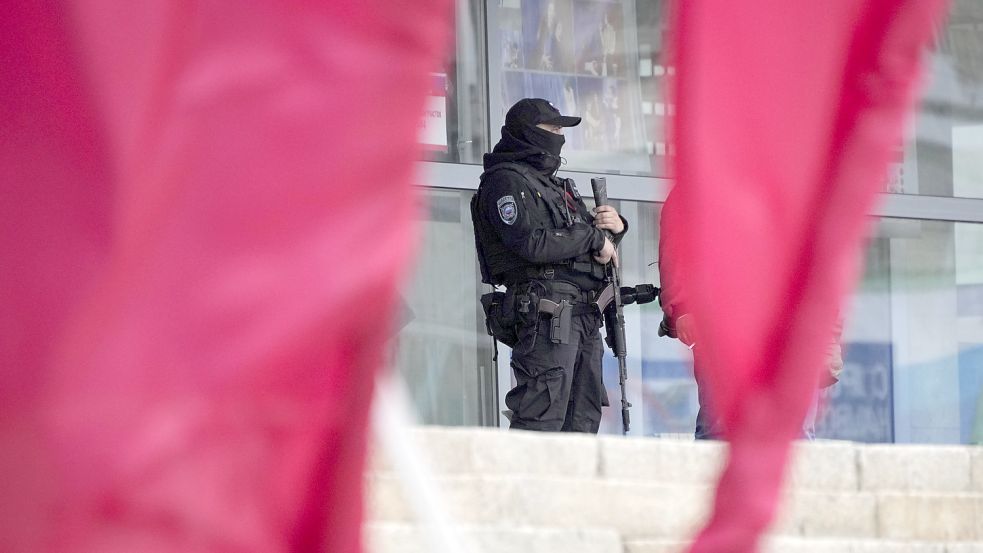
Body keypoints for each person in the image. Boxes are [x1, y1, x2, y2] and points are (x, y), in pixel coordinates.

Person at [471, 98, 628, 433]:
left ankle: (573, 489)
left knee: (582, 422)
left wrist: (614, 229)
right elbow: (532, 243)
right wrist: (592, 239)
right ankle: (520, 488)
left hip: (583, 316)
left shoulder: (557, 188)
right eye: (553, 128)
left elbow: (591, 244)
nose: (560, 136)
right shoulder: (506, 182)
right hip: (547, 315)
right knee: (541, 420)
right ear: (528, 133)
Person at [657, 191, 843, 439]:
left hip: (793, 330)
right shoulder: (705, 174)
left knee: (795, 435)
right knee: (721, 429)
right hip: (724, 325)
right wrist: (682, 308)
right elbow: (677, 243)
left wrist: (828, 336)